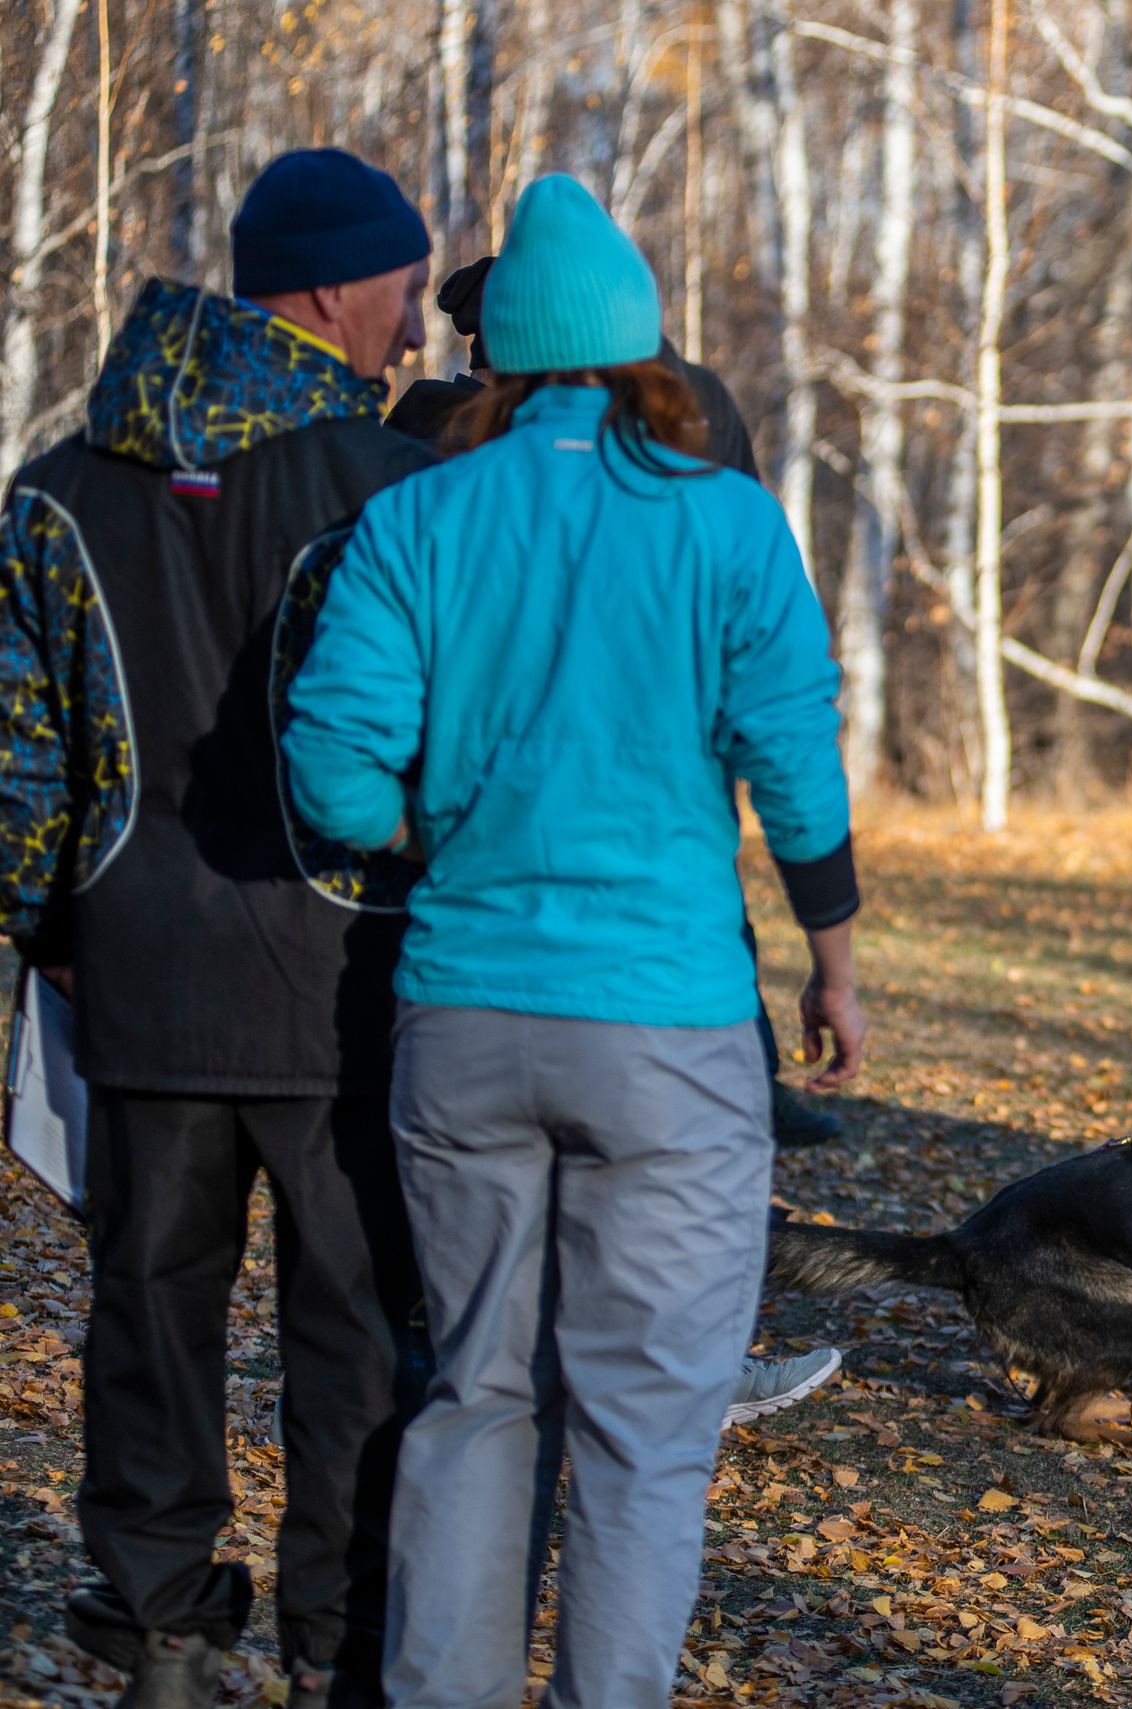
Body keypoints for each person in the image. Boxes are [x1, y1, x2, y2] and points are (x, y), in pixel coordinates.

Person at [280, 175, 865, 1709]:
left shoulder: (413, 516)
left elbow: (331, 772)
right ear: (635, 346)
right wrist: (835, 953)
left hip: (462, 1018)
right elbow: (797, 766)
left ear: (503, 354)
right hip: (669, 1034)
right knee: (645, 1427)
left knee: (474, 1395)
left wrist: (442, 831)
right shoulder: (725, 521)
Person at [0, 149, 437, 1709]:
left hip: (131, 967)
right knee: (355, 1333)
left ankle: (163, 1624)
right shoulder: (391, 491)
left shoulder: (58, 488)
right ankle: (338, 1639)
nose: (415, 323)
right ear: (327, 290)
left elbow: (20, 754)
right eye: (403, 284)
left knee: (150, 1319)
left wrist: (44, 917)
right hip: (340, 976)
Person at [388, 256, 845, 1429]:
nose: (482, 357)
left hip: (495, 903)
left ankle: (622, 1353)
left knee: (482, 1363)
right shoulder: (672, 437)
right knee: (677, 1128)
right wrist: (831, 949)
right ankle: (674, 1358)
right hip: (648, 878)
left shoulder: (440, 450)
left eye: (490, 334)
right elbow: (775, 698)